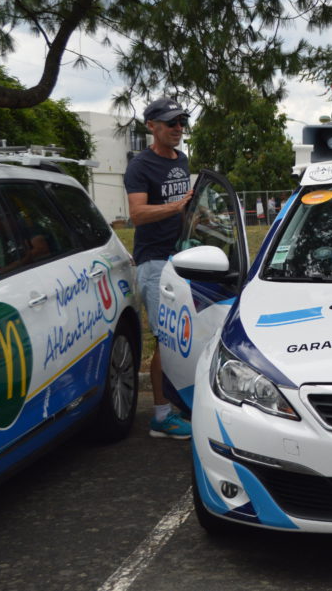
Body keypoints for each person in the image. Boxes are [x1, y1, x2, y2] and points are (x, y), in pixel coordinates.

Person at [124, 97, 195, 439]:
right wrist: (176, 206)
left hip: (181, 258)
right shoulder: (140, 165)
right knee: (165, 341)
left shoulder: (181, 159)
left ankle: (179, 401)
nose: (178, 128)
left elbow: (184, 207)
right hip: (154, 263)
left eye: (182, 122)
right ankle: (161, 416)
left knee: (184, 338)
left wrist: (199, 215)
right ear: (151, 126)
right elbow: (136, 215)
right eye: (171, 123)